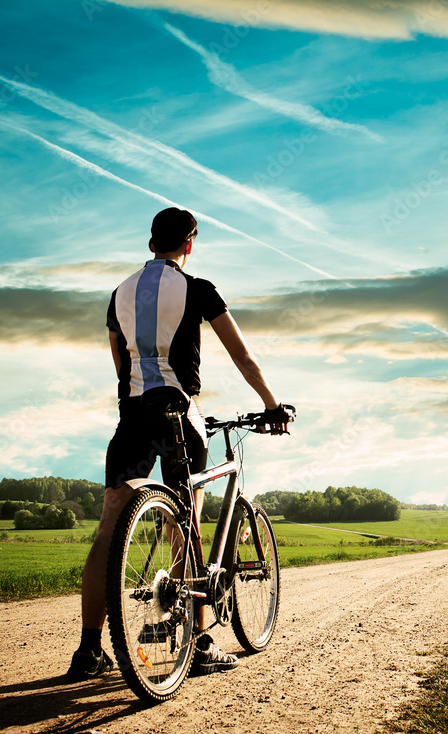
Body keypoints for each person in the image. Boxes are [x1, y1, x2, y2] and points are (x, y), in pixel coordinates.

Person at [67, 207, 289, 681]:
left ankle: (88, 652)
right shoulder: (199, 289)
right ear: (190, 244)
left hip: (132, 415)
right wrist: (272, 404)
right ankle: (200, 643)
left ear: (151, 244)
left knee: (109, 531)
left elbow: (118, 362)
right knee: (184, 525)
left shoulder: (118, 294)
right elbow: (243, 357)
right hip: (179, 416)